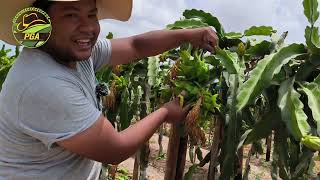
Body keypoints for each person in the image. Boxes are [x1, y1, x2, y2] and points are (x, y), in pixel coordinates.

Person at [0, 0, 218, 179]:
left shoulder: (76, 53)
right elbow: (115, 149)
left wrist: (187, 35)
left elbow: (135, 46)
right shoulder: (43, 84)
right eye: (71, 15)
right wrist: (165, 113)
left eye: (92, 15)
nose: (88, 27)